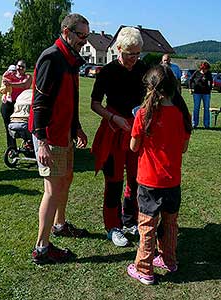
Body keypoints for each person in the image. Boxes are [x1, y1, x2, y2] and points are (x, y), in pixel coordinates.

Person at [29, 13, 89, 265]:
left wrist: (76, 127)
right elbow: (40, 102)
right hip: (49, 136)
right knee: (52, 190)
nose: (84, 41)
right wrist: (41, 141)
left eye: (87, 36)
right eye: (81, 35)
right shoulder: (51, 57)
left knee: (65, 179)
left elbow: (70, 99)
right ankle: (41, 249)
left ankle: (60, 224)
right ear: (66, 32)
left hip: (64, 133)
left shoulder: (70, 59)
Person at [127, 64, 192, 285]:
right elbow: (183, 147)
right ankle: (169, 260)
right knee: (170, 223)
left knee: (147, 225)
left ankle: (144, 268)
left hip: (149, 181)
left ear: (149, 88)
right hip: (172, 180)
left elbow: (134, 147)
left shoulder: (144, 114)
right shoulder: (182, 114)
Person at [91, 27, 148, 247]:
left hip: (136, 130)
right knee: (114, 180)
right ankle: (112, 226)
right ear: (118, 49)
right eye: (128, 54)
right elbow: (94, 104)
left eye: (136, 54)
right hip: (114, 132)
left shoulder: (143, 69)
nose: (133, 59)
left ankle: (129, 220)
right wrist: (113, 118)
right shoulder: (107, 72)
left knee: (135, 179)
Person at [0, 60, 32, 148]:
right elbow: (3, 82)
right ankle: (11, 147)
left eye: (23, 67)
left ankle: (28, 143)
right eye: (19, 66)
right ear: (16, 66)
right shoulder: (10, 75)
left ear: (25, 69)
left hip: (21, 105)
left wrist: (10, 84)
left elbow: (24, 85)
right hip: (8, 103)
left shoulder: (28, 76)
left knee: (24, 125)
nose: (20, 68)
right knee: (9, 127)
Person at [189, 61, 213, 128]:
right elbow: (190, 80)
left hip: (206, 93)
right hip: (197, 93)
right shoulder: (196, 72)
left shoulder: (209, 73)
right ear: (202, 68)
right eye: (205, 69)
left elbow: (211, 81)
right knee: (196, 108)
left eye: (207, 69)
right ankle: (194, 124)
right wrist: (191, 88)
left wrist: (210, 89)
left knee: (206, 108)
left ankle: (206, 124)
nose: (206, 70)